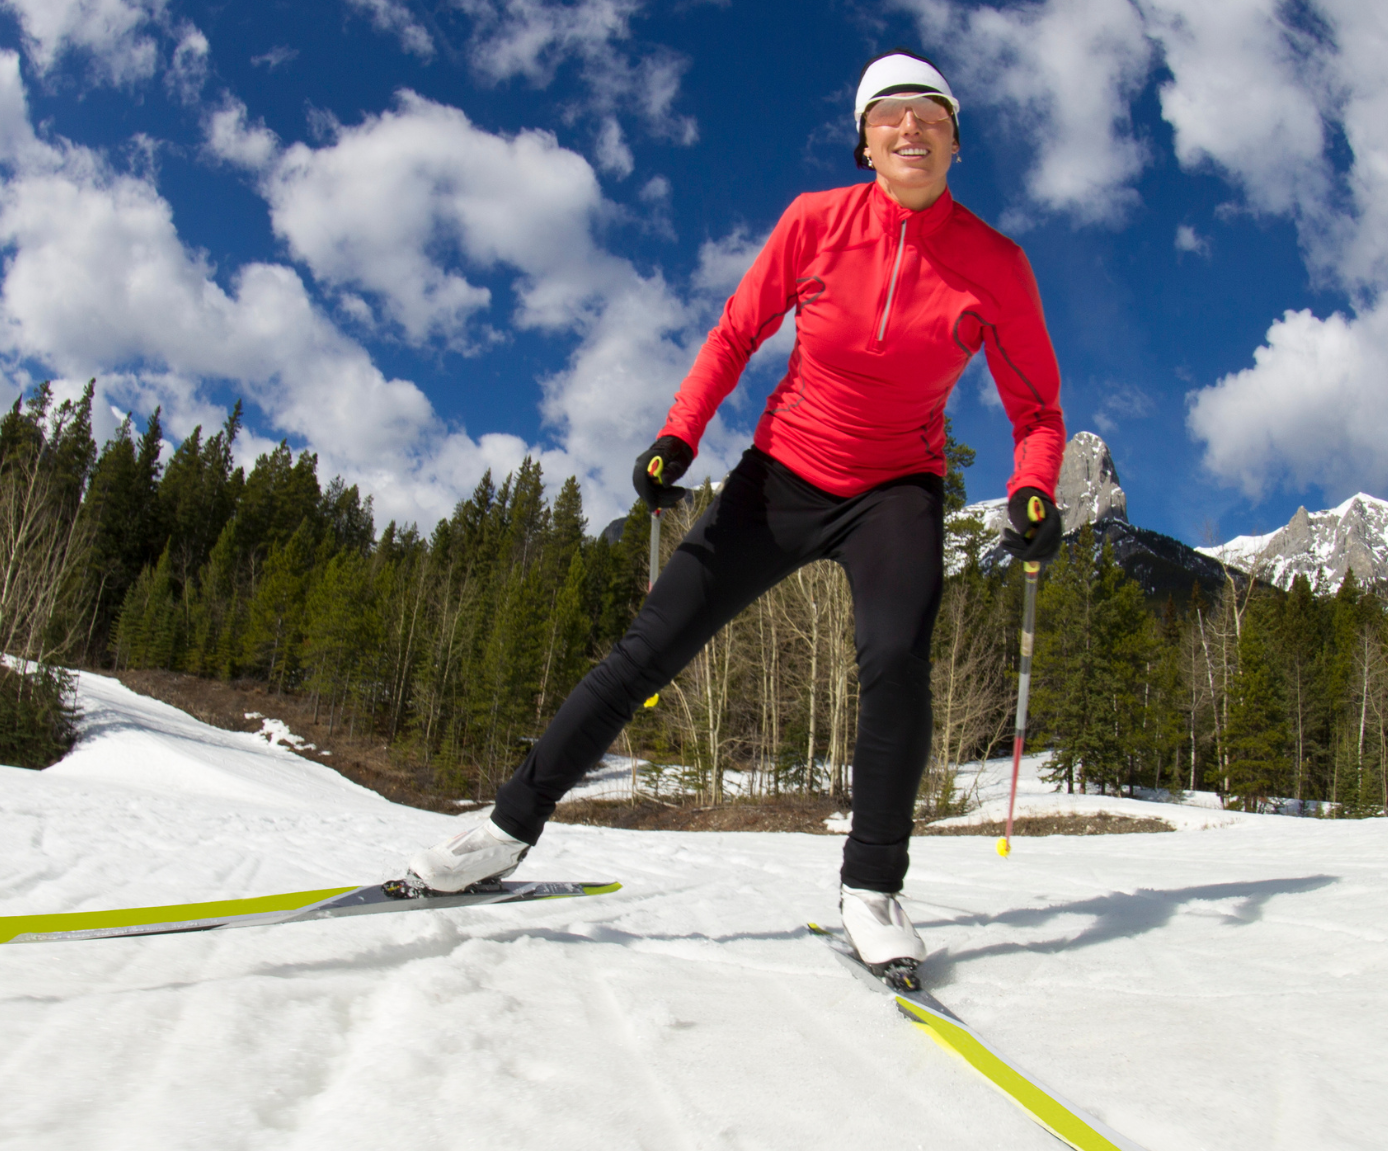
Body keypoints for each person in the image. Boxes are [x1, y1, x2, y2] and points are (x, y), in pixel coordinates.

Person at [405, 48, 1067, 969]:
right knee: (650, 647)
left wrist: (1035, 485)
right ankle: (505, 833)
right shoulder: (814, 223)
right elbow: (737, 330)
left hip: (895, 492)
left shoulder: (995, 263)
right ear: (865, 145)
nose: (909, 127)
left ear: (956, 142)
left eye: (930, 114)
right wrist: (679, 435)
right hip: (781, 476)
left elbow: (1037, 407)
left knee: (896, 660)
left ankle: (872, 889)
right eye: (889, 116)